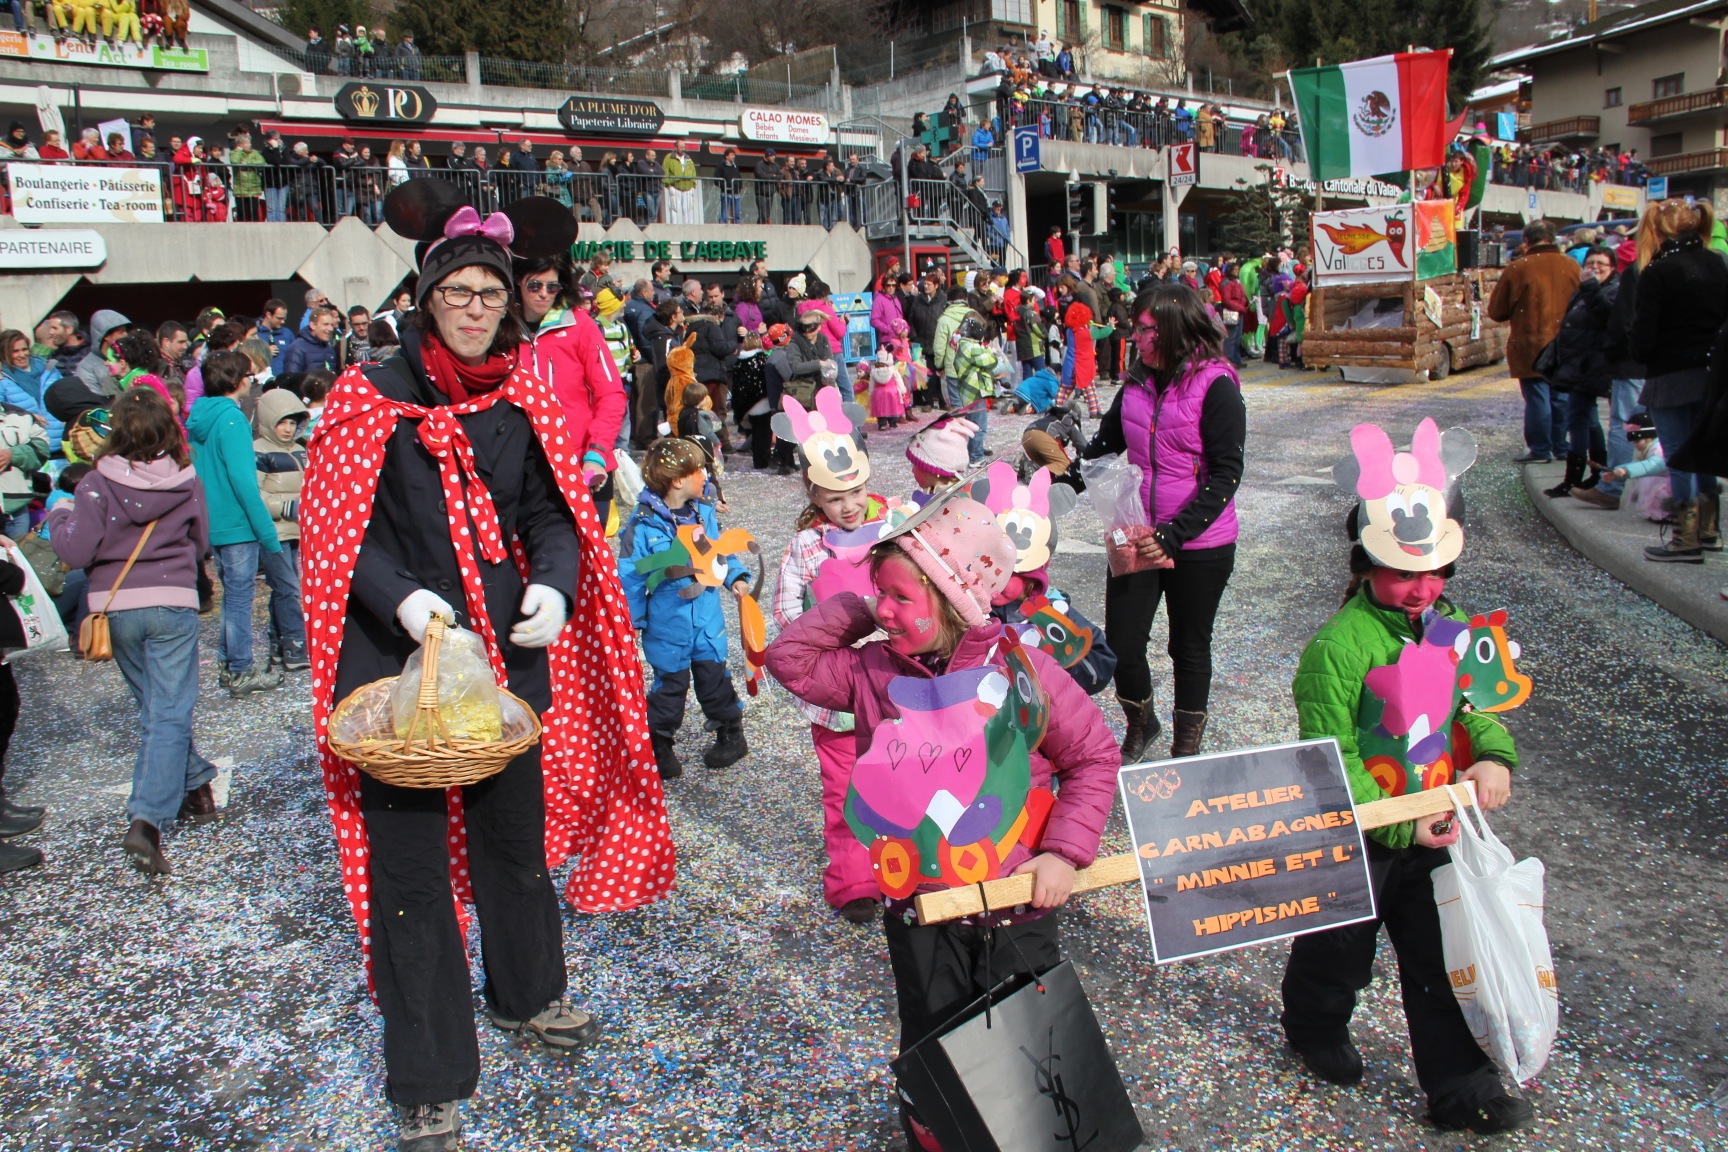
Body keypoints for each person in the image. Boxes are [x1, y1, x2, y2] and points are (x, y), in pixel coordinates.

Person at [301, 181, 669, 1152]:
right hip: (399, 671)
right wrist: (403, 600)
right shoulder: (367, 395)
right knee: (412, 873)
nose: (475, 308)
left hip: (504, 659)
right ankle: (428, 1076)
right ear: (428, 299)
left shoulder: (523, 391)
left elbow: (550, 510)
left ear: (511, 302)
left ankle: (528, 992)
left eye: (490, 293)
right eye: (458, 291)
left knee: (515, 841)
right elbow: (338, 534)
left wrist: (553, 582)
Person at [764, 494, 1120, 1151]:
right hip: (920, 905)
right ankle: (937, 1134)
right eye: (880, 593)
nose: (884, 609)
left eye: (900, 597)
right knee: (932, 1035)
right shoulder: (872, 670)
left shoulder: (1022, 667)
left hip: (1017, 899)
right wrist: (862, 605)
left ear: (954, 599)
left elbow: (1093, 757)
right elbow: (790, 661)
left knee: (1029, 1039)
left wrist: (1064, 854)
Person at [1282, 420, 1531, 1136]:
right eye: (1403, 573)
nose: (1423, 588)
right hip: (1362, 833)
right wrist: (1396, 820)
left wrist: (1493, 756)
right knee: (1338, 949)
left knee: (1439, 957)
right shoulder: (1338, 648)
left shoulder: (1451, 628)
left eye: (1436, 573)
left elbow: (1475, 705)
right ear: (1365, 566)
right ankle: (1313, 1022)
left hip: (1435, 827)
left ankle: (1461, 1086)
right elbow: (1330, 756)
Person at [49, 388, 216, 876]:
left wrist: (58, 515)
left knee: (160, 709)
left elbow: (75, 552)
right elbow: (200, 543)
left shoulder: (95, 482)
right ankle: (148, 819)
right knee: (168, 711)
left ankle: (197, 787)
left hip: (118, 605)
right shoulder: (185, 479)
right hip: (172, 600)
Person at [1083, 282, 1245, 762]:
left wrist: (1174, 535)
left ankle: (1186, 746)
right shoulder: (1136, 382)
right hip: (1136, 533)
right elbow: (1104, 446)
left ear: (1174, 329)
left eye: (1145, 328)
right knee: (1122, 643)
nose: (1135, 337)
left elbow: (1227, 473)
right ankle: (1142, 721)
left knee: (1188, 647)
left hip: (1200, 542)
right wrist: (1058, 469)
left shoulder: (1216, 385)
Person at [767, 401, 885, 921]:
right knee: (846, 789)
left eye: (856, 492)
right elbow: (785, 611)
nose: (850, 506)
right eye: (835, 498)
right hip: (837, 696)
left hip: (897, 678)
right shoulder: (805, 546)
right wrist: (826, 641)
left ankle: (919, 866)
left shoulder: (893, 530)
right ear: (814, 494)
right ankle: (854, 880)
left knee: (909, 775)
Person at [619, 437, 751, 779]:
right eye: (699, 470)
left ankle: (731, 734)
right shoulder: (643, 524)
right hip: (667, 625)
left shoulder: (703, 511)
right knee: (669, 686)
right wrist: (632, 621)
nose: (706, 475)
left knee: (714, 679)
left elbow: (720, 551)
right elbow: (630, 576)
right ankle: (659, 745)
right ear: (678, 481)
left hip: (707, 622)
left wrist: (736, 578)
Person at [1629, 198, 1727, 562]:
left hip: (1670, 372)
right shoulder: (1716, 262)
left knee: (1678, 454)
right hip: (1712, 371)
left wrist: (1637, 349)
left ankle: (1685, 538)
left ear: (1656, 229)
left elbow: (1644, 336)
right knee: (1702, 449)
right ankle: (1709, 530)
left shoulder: (1658, 271)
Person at [186, 350, 286, 698]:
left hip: (211, 518)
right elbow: (244, 481)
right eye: (248, 375)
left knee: (233, 596)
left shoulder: (200, 416)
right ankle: (241, 668)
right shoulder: (231, 419)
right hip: (237, 521)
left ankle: (232, 664)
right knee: (240, 598)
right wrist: (267, 533)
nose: (251, 380)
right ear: (234, 380)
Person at [513, 253, 628, 531]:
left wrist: (597, 452)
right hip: (525, 468)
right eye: (534, 286)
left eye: (552, 287)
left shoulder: (580, 324)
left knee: (588, 551)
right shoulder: (501, 330)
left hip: (584, 464)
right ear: (517, 282)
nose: (544, 294)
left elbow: (611, 394)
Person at [1487, 219, 1581, 464]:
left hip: (1531, 344)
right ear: (1553, 239)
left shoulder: (1519, 268)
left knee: (1538, 399)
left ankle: (1540, 449)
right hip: (1566, 343)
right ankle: (1561, 446)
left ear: (1526, 241)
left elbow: (1497, 311)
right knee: (1561, 398)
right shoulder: (1572, 266)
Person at [1543, 246, 1618, 499]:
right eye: (1590, 262)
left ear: (1612, 268)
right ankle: (1596, 473)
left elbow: (1607, 316)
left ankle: (1573, 478)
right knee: (1588, 420)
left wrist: (1590, 287)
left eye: (1601, 264)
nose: (1595, 267)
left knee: (1577, 420)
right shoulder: (1583, 289)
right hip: (1579, 365)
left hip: (1592, 365)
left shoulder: (1611, 290)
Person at [0, 328, 64, 451]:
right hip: (32, 448)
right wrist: (28, 417)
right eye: (15, 351)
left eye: (24, 349)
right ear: (4, 353)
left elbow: (67, 397)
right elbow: (2, 414)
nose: (22, 355)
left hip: (61, 443)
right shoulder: (3, 380)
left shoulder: (50, 370)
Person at [282, 305, 340, 376]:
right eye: (326, 324)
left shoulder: (330, 349)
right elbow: (291, 378)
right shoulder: (297, 348)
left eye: (331, 325)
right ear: (313, 325)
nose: (330, 329)